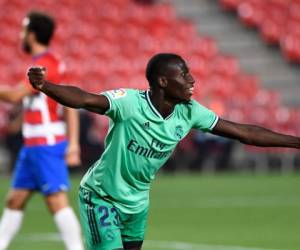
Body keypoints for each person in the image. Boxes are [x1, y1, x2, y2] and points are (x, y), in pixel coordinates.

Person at [27, 53, 300, 250]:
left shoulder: (190, 112)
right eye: (183, 74)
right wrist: (45, 86)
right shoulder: (130, 103)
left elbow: (244, 132)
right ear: (163, 82)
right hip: (102, 197)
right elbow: (84, 98)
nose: (192, 79)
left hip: (137, 202)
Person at [0, 11, 84, 250]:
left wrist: (74, 143)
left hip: (46, 144)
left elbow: (16, 95)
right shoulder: (45, 62)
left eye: (23, 30)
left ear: (32, 34)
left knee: (56, 201)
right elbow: (54, 105)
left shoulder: (46, 65)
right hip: (33, 145)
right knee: (15, 199)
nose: (20, 35)